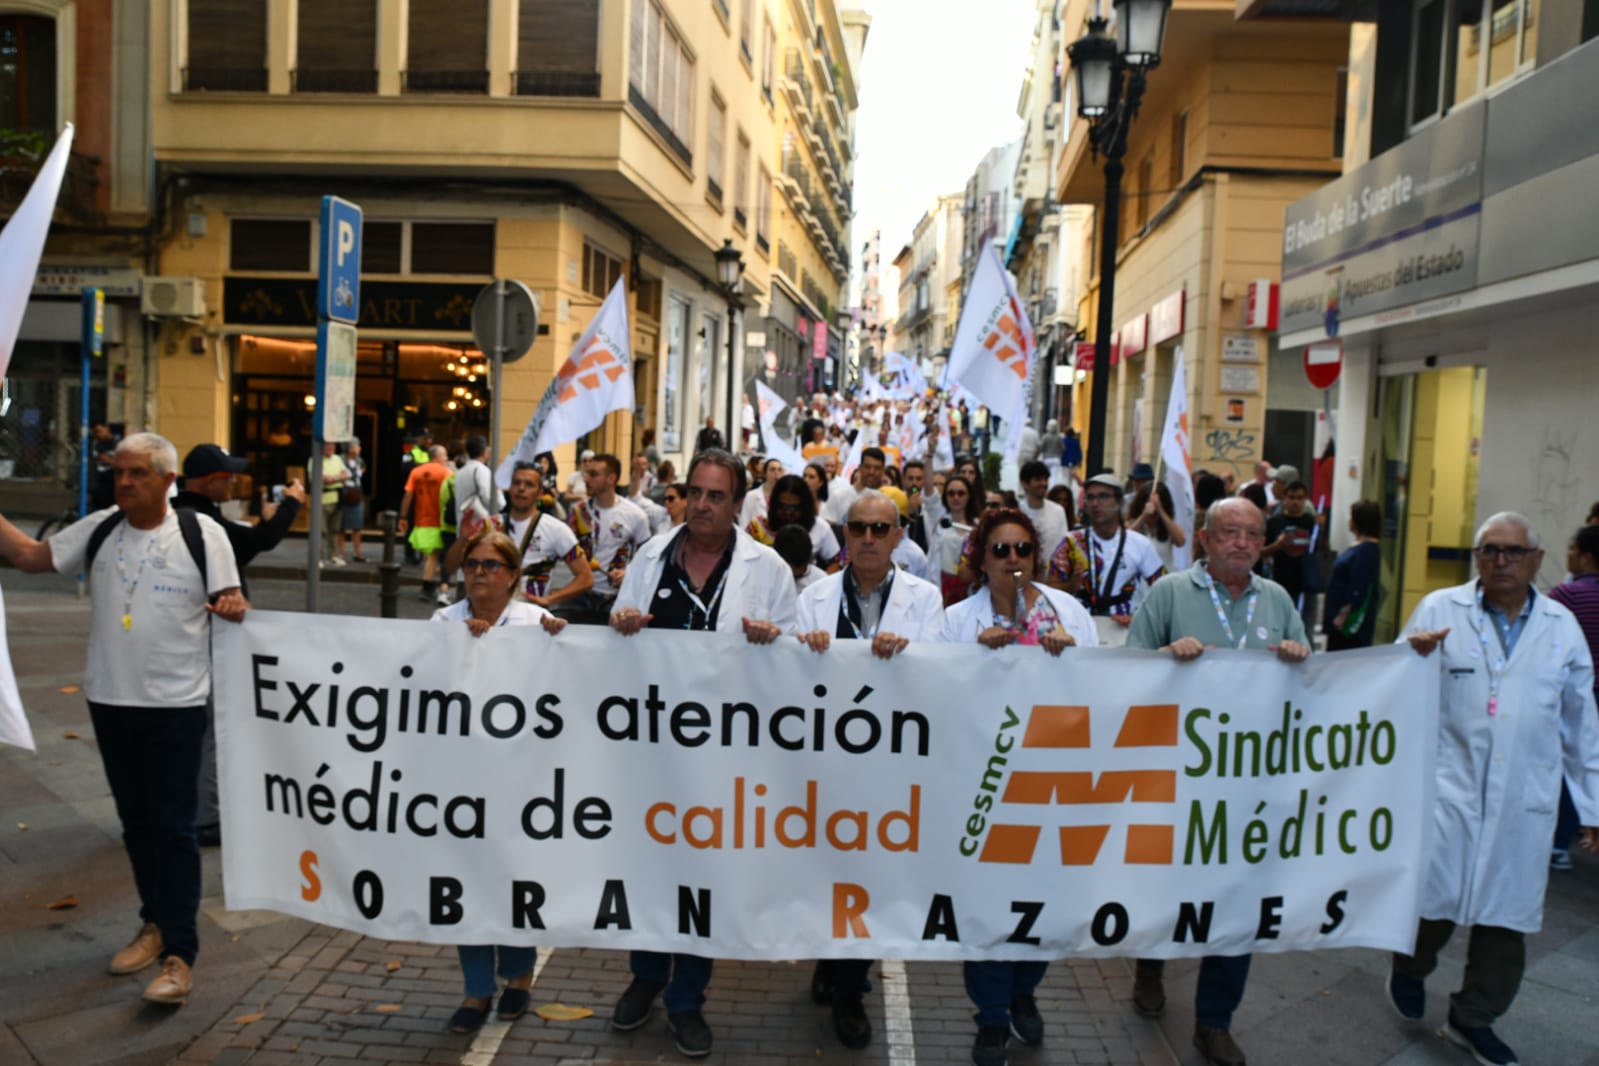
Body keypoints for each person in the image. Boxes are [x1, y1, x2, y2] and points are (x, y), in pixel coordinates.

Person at [0, 432, 247, 1005]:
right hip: (110, 700)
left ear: (167, 481)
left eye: (138, 473)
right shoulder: (102, 526)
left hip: (177, 704)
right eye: (120, 473)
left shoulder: (200, 532)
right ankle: (153, 922)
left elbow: (234, 601)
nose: (126, 482)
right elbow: (32, 557)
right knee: (136, 826)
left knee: (175, 828)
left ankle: (179, 957)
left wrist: (234, 605)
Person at [607, 449, 797, 1058]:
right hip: (654, 750)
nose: (704, 505)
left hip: (726, 758)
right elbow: (614, 637)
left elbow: (799, 665)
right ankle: (645, 977)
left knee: (701, 880)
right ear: (683, 496)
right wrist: (624, 622)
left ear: (738, 505)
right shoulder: (649, 557)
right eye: (696, 493)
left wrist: (776, 642)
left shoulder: (765, 569)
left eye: (717, 496)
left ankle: (687, 1000)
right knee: (649, 869)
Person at [1393, 512, 1599, 1066]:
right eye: (1489, 551)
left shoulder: (1561, 627)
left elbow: (1582, 724)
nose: (1500, 561)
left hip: (1521, 802)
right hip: (1447, 793)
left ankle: (1473, 1018)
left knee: (1505, 922)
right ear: (1476, 557)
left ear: (1536, 559)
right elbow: (1391, 689)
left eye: (1512, 552)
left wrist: (1594, 807)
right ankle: (1409, 966)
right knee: (1431, 908)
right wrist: (1409, 658)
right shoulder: (1440, 610)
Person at [1125, 497, 1311, 1066]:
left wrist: (1302, 657)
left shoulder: (1277, 600)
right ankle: (1150, 966)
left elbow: (1311, 685)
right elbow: (1125, 674)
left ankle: (1215, 1021)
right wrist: (1164, 656)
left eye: (1254, 534)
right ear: (1204, 540)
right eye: (1229, 532)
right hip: (1176, 779)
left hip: (1250, 787)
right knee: (1166, 890)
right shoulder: (1170, 593)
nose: (1242, 543)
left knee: (1238, 902)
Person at [939, 506, 1096, 1066]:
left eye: (1022, 550)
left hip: (1051, 785)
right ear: (981, 560)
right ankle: (991, 1018)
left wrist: (1070, 662)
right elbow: (933, 698)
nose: (1012, 560)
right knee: (985, 908)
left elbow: (1102, 694)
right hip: (981, 788)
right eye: (999, 550)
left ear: (1036, 557)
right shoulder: (956, 621)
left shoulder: (1071, 615)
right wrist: (970, 660)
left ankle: (1024, 988)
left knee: (1044, 907)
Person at [794, 489, 945, 1051]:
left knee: (871, 876)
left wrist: (907, 653)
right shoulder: (814, 598)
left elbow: (937, 672)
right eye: (858, 527)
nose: (868, 539)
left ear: (899, 536)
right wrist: (801, 646)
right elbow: (787, 678)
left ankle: (852, 988)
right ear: (844, 532)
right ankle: (830, 959)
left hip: (892, 763)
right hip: (828, 759)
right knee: (827, 868)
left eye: (880, 529)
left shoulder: (925, 601)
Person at [430, 528, 565, 1033]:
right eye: (471, 565)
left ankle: (518, 977)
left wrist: (559, 642)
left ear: (512, 575)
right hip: (461, 775)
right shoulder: (443, 621)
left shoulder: (535, 621)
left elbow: (560, 686)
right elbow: (422, 687)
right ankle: (476, 988)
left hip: (519, 775)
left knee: (512, 876)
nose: (479, 574)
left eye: (490, 565)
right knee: (465, 879)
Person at [173, 443, 305, 846]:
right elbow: (260, 541)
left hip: (196, 634)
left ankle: (199, 807)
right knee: (212, 724)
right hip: (206, 635)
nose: (233, 483)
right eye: (228, 477)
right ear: (211, 481)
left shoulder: (193, 514)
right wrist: (291, 504)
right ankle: (206, 818)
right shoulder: (199, 521)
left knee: (203, 724)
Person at [445, 462, 594, 612]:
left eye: (529, 485)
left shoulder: (556, 529)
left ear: (540, 493)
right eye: (516, 483)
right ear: (509, 489)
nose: (521, 488)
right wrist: (463, 540)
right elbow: (450, 567)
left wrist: (549, 599)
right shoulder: (489, 525)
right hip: (487, 616)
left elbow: (586, 578)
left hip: (530, 619)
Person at [1051, 473, 1165, 646]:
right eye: (1090, 497)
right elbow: (1048, 589)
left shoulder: (1140, 544)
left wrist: (1139, 618)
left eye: (1103, 496)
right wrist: (1070, 586)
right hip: (1079, 631)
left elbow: (1163, 589)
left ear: (1120, 502)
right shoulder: (1071, 542)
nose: (1096, 503)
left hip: (1123, 634)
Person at [1550, 524, 1599, 870]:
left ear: (1586, 556)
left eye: (1571, 549)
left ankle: (1559, 843)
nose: (1567, 556)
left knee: (1568, 763)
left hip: (1578, 691)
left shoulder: (1566, 597)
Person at [563, 453, 652, 624]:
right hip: (580, 595)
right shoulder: (577, 512)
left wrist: (628, 573)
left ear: (611, 478)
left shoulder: (635, 515)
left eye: (594, 474)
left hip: (615, 599)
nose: (587, 480)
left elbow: (648, 557)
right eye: (586, 474)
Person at [1321, 499, 1382, 650]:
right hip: (1338, 619)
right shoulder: (1361, 547)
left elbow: (1358, 586)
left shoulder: (1367, 550)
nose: (1350, 521)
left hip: (1347, 624)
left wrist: (1343, 615)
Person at [398, 445, 453, 601]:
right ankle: (427, 585)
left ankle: (428, 582)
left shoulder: (416, 472)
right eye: (445, 456)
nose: (446, 459)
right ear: (437, 456)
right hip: (439, 521)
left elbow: (408, 496)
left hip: (421, 520)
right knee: (433, 556)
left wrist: (403, 517)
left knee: (428, 556)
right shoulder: (446, 473)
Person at [750, 473, 840, 567]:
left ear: (805, 507)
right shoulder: (757, 526)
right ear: (774, 505)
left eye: (794, 508)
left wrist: (821, 580)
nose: (788, 513)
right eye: (783, 507)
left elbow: (837, 561)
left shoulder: (819, 526)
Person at [1129, 481, 1189, 573]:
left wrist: (1160, 510)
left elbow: (1180, 541)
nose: (1154, 514)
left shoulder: (1169, 526)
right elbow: (1124, 539)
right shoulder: (1133, 524)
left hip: (1165, 580)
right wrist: (1143, 516)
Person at [1016, 459, 1068, 560]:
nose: (1043, 483)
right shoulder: (1017, 511)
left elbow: (1064, 545)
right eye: (1038, 479)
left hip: (1052, 572)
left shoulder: (1058, 511)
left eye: (1045, 479)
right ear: (1024, 484)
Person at [314, 441, 351, 566]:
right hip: (322, 500)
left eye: (333, 445)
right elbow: (322, 478)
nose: (331, 448)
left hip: (337, 499)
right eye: (328, 445)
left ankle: (333, 556)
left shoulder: (338, 459)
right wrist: (337, 477)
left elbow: (346, 475)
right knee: (321, 531)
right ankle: (318, 558)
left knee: (334, 530)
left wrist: (333, 478)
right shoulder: (315, 459)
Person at [337, 440, 367, 563]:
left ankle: (357, 552)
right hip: (344, 494)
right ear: (350, 448)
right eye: (357, 446)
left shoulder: (359, 460)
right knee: (341, 526)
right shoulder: (340, 460)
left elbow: (363, 468)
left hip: (357, 493)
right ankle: (341, 554)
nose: (359, 448)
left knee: (357, 526)